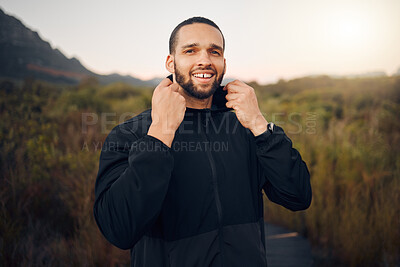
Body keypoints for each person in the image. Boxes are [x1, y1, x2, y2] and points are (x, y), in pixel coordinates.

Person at [93, 17, 312, 267]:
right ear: (170, 62)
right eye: (191, 50)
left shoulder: (245, 128)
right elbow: (119, 229)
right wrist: (161, 134)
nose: (205, 60)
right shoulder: (131, 135)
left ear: (224, 64)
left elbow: (298, 196)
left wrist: (260, 126)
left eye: (214, 51)